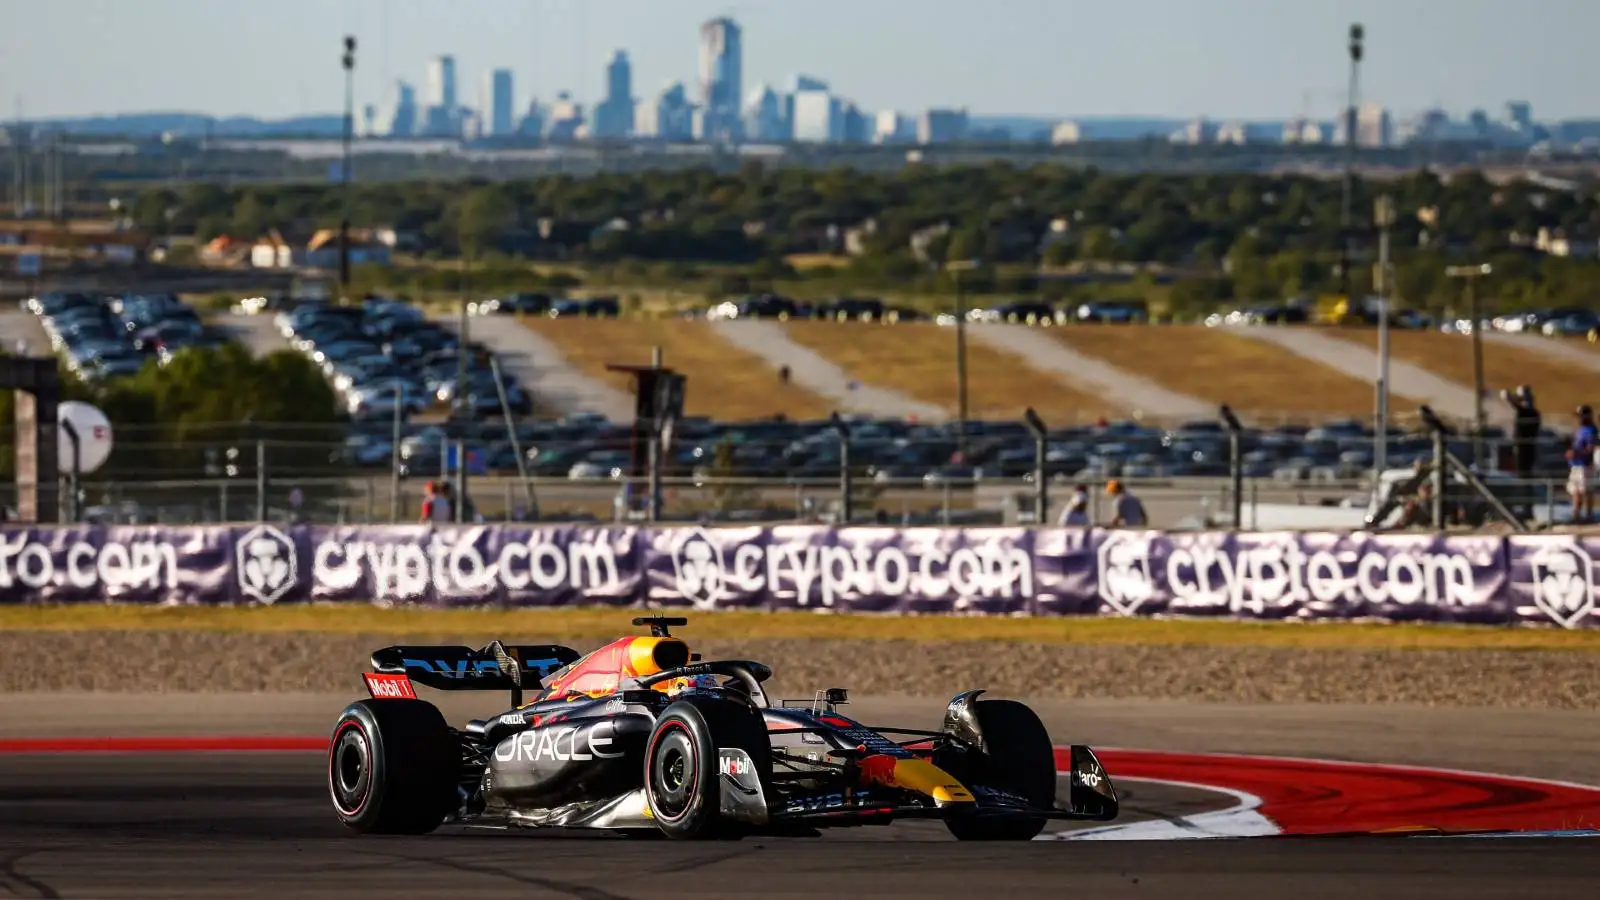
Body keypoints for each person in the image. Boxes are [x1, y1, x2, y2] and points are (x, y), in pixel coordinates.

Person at [1500, 385, 1542, 479]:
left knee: (1524, 471)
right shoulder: (1528, 412)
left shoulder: (1529, 412)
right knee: (1523, 470)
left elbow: (1511, 401)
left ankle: (1525, 488)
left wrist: (1510, 398)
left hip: (1525, 446)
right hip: (1523, 446)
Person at [1566, 405, 1597, 524]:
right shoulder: (1580, 429)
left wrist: (1576, 453)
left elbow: (1590, 449)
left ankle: (1589, 515)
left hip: (1585, 465)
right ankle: (1576, 515)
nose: (1579, 419)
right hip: (1575, 464)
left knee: (1586, 490)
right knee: (1575, 490)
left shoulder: (1591, 430)